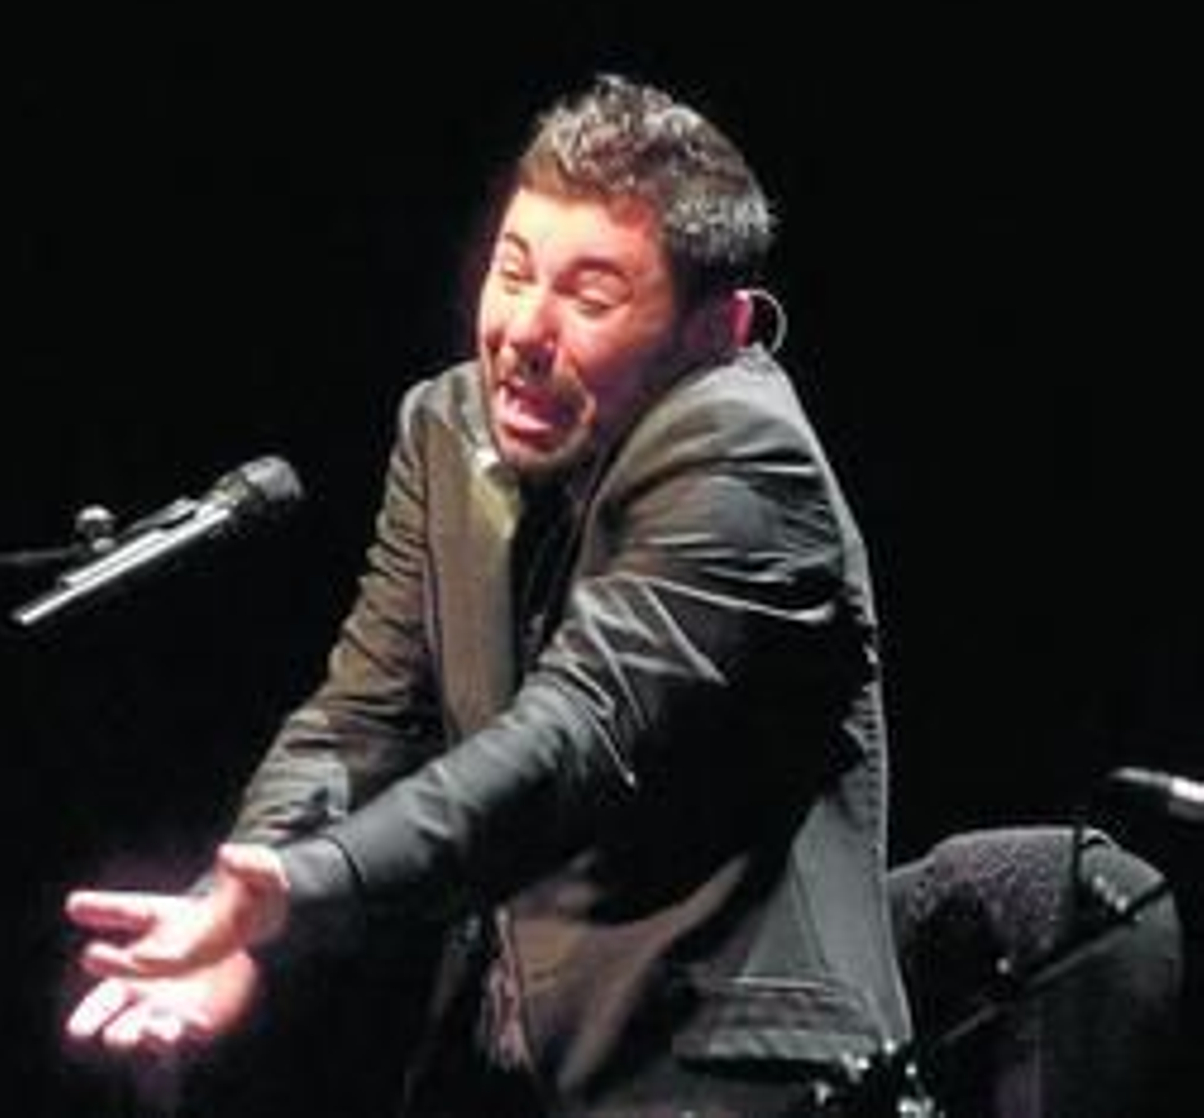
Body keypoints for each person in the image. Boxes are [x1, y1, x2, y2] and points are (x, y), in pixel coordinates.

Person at [63, 73, 915, 1116]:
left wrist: (297, 895)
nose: (522, 330)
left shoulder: (744, 453)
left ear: (717, 329)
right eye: (513, 272)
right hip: (507, 1075)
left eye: (589, 296)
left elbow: (573, 736)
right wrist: (232, 914)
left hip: (730, 1074)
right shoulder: (446, 429)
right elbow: (360, 720)